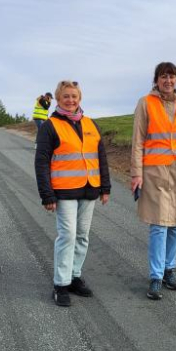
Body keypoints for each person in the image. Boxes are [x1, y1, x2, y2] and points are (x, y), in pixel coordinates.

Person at [130, 62, 176, 300]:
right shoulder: (146, 102)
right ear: (156, 80)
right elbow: (138, 141)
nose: (168, 81)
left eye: (171, 77)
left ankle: (170, 269)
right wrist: (137, 174)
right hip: (156, 172)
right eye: (163, 77)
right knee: (159, 225)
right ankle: (155, 275)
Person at [35, 81, 111, 307]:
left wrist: (105, 188)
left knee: (82, 236)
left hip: (89, 189)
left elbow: (101, 158)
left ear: (80, 99)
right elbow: (41, 162)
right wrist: (47, 194)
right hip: (64, 191)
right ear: (58, 99)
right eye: (66, 96)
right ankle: (60, 284)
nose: (70, 100)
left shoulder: (91, 124)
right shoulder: (50, 126)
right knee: (67, 236)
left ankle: (74, 276)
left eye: (74, 96)